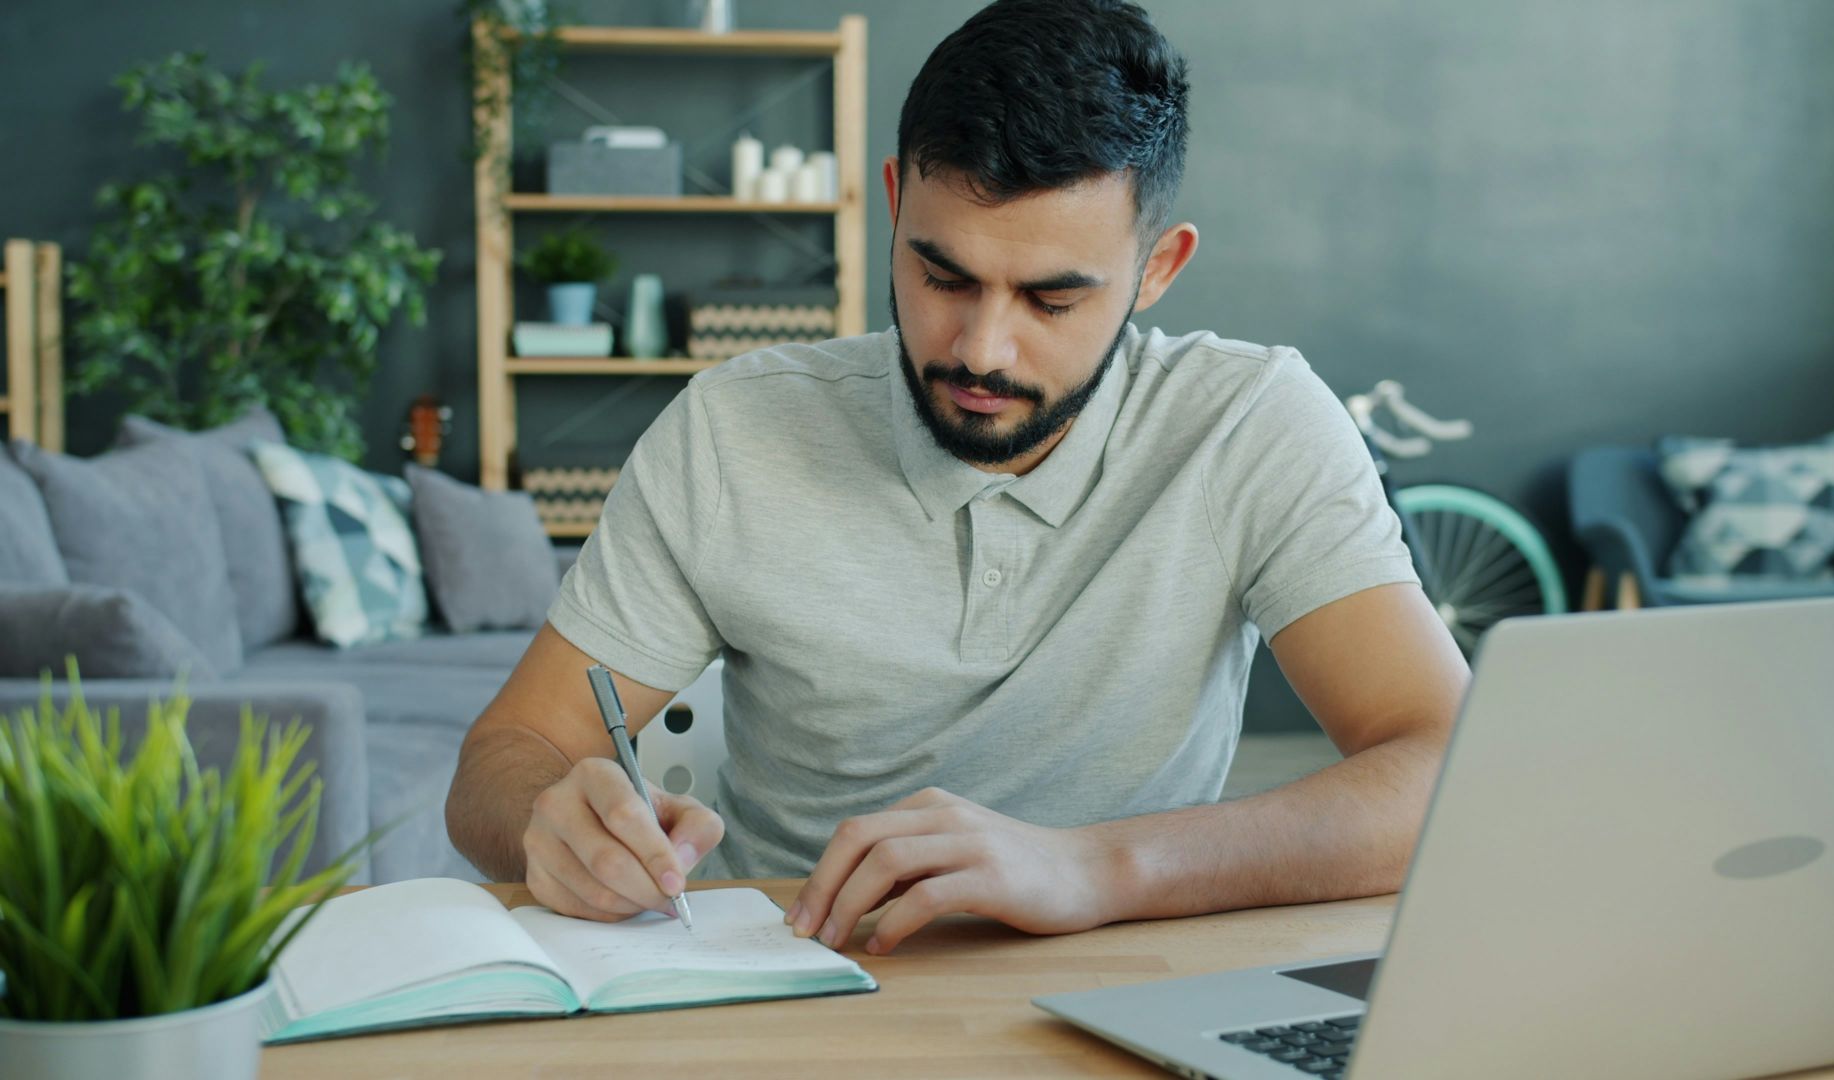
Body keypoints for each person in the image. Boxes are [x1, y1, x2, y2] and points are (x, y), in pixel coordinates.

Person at [446, 0, 1469, 957]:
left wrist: (1096, 866)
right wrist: (549, 818)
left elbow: (1447, 768)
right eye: (943, 277)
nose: (982, 349)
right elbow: (512, 748)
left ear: (1158, 269)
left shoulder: (1251, 425)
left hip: (1126, 978)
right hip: (802, 985)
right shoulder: (732, 431)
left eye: (1052, 300)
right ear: (893, 204)